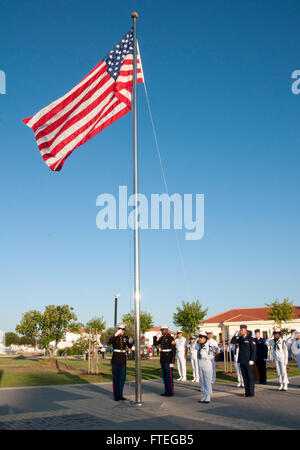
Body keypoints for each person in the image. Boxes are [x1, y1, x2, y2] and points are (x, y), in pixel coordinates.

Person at [108, 323, 133, 401]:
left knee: (122, 378)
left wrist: (132, 341)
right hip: (115, 359)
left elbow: (130, 345)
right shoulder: (114, 337)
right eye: (120, 330)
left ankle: (120, 395)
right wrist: (115, 335)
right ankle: (116, 396)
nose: (122, 331)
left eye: (123, 330)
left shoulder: (125, 338)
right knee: (116, 378)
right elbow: (109, 342)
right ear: (117, 330)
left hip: (123, 359)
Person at [231, 325, 256, 397]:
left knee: (250, 377)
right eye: (240, 330)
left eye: (242, 330)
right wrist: (235, 335)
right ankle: (246, 392)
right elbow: (232, 341)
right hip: (242, 360)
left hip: (248, 361)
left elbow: (253, 350)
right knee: (244, 377)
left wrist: (252, 359)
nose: (241, 331)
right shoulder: (240, 338)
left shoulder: (250, 338)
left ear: (245, 330)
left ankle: (251, 392)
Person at [156, 325, 176, 397]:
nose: (161, 331)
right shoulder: (162, 338)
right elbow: (156, 344)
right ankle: (166, 391)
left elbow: (173, 350)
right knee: (165, 376)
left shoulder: (170, 338)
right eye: (161, 330)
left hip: (168, 358)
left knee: (169, 376)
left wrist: (172, 360)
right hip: (163, 358)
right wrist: (155, 337)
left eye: (162, 330)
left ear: (166, 330)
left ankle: (170, 392)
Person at [197, 332, 212, 403]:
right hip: (201, 364)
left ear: (205, 338)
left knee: (207, 381)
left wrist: (205, 356)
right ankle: (205, 395)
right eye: (199, 337)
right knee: (202, 381)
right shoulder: (200, 345)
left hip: (207, 365)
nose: (200, 339)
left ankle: (208, 396)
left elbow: (212, 355)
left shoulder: (208, 345)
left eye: (201, 338)